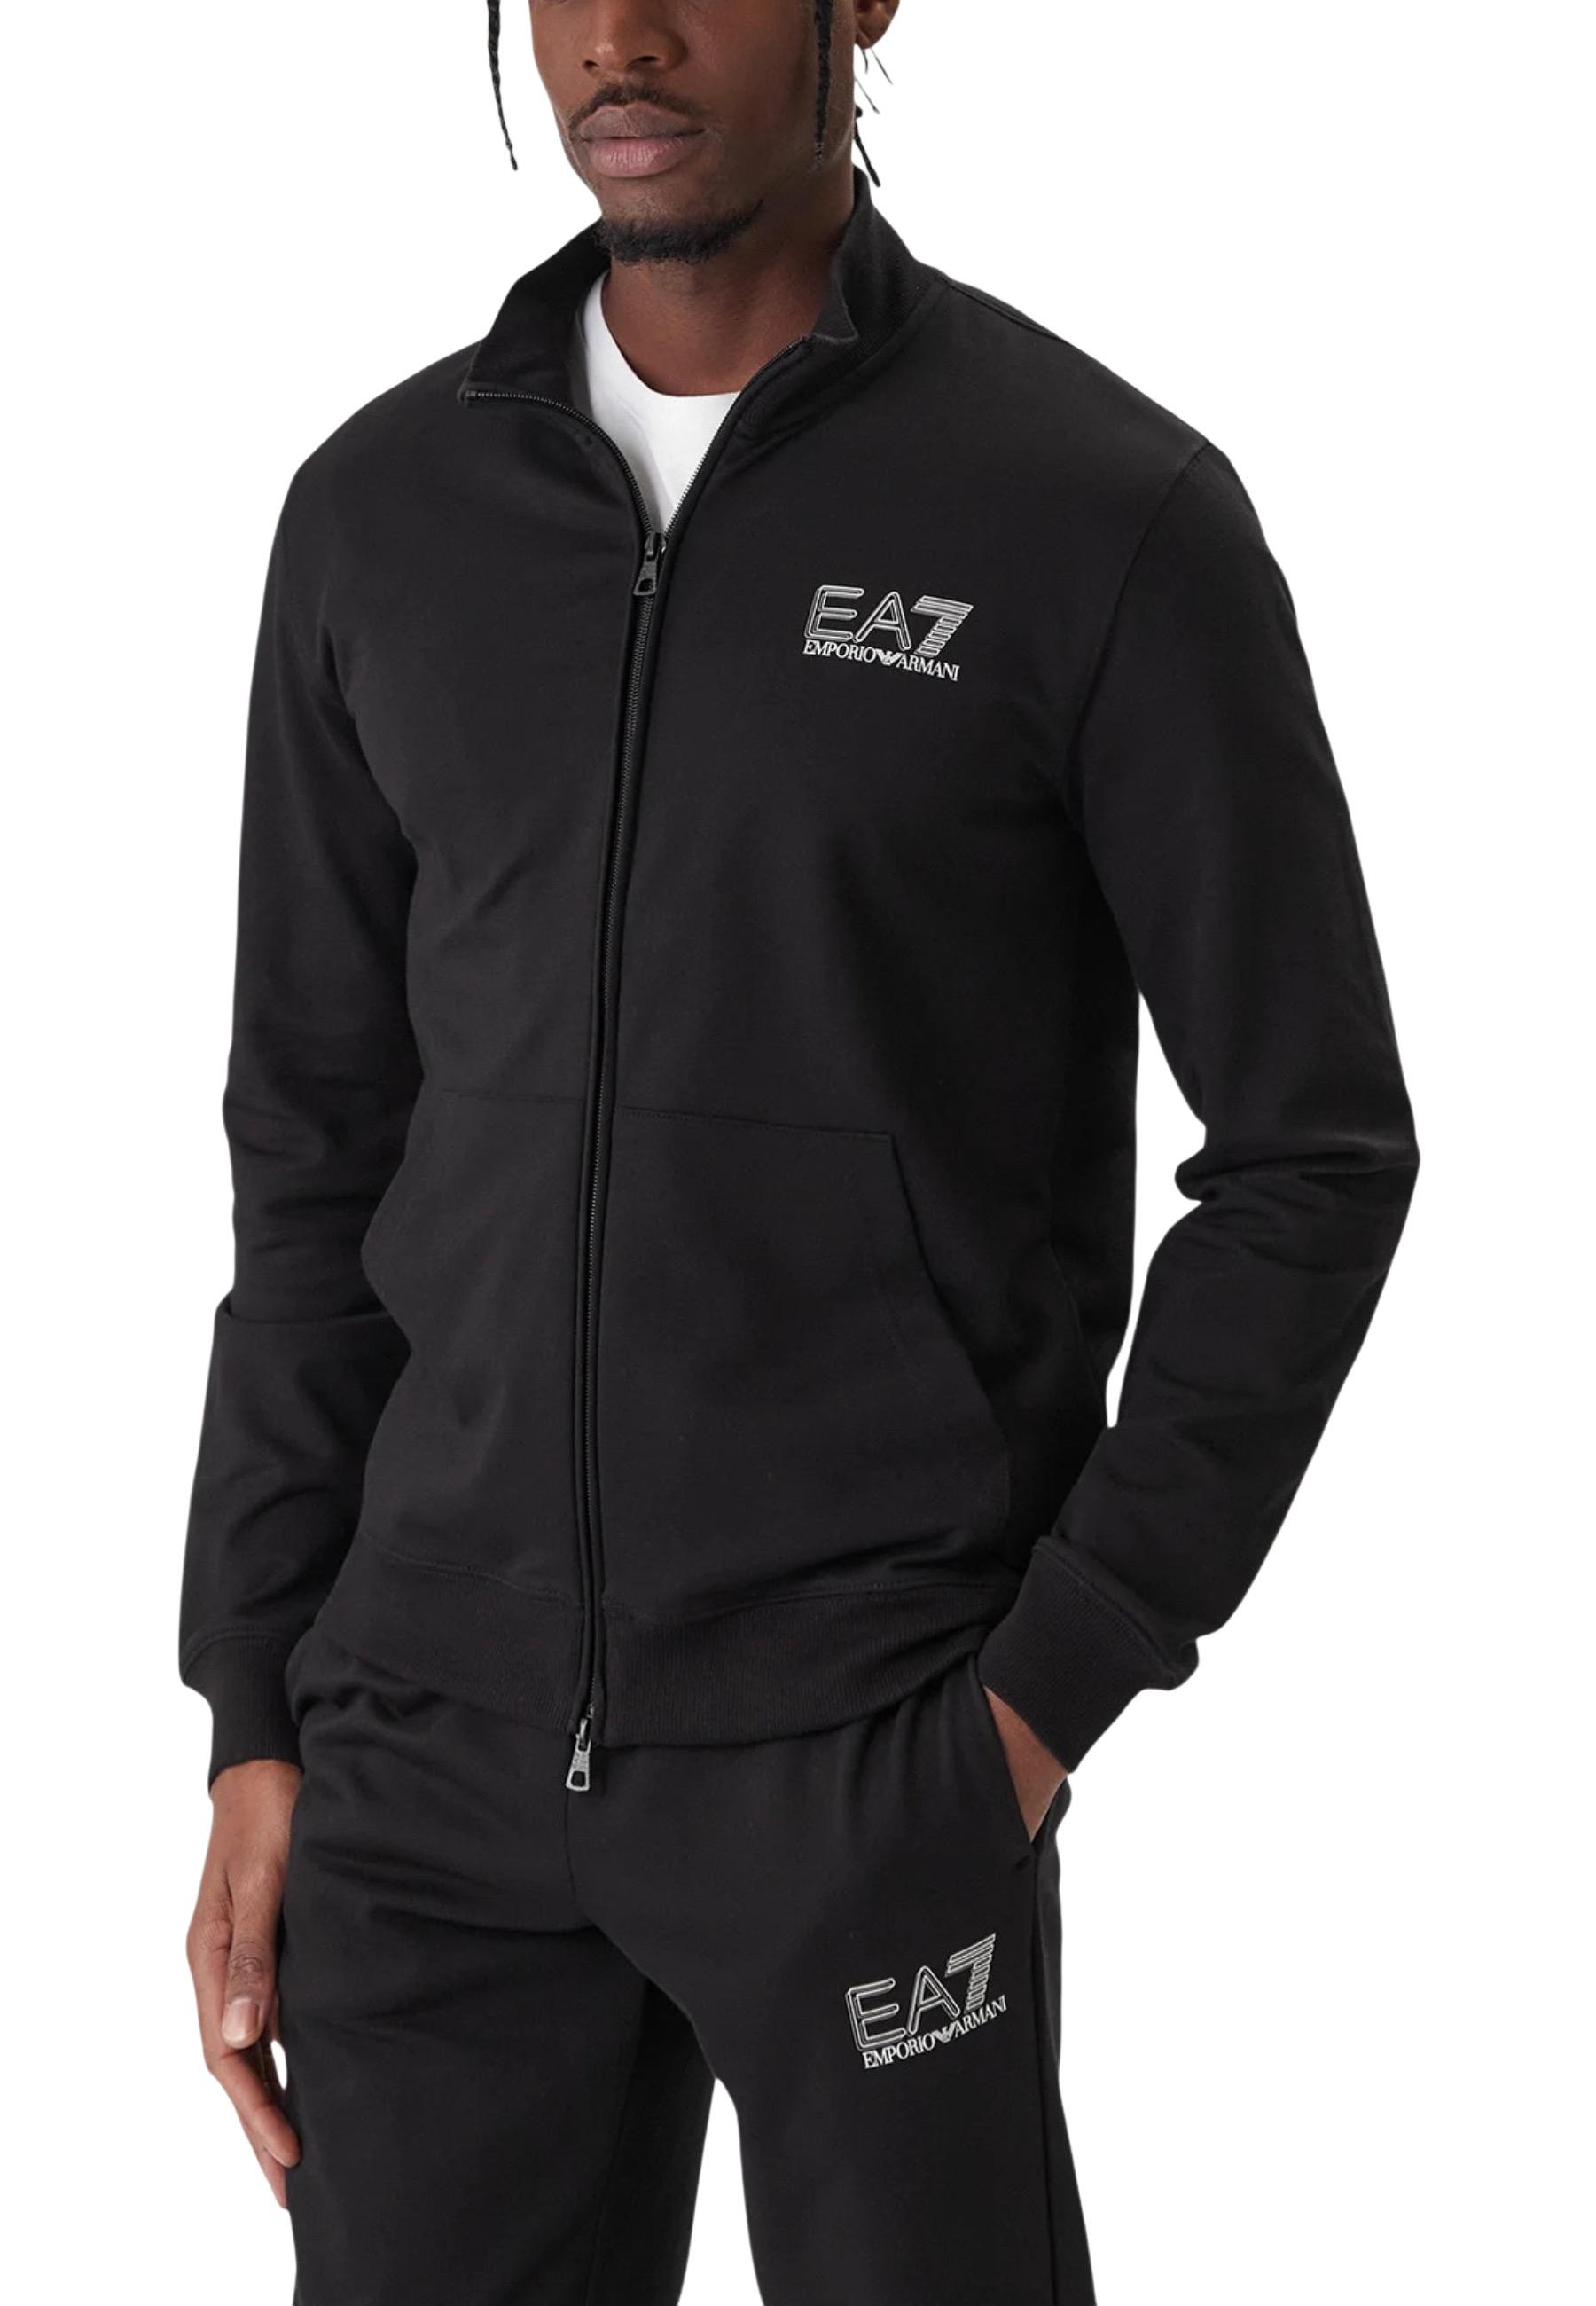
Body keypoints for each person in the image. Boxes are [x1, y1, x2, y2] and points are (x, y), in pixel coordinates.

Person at [178, 4, 1419, 2299]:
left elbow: (1313, 1152)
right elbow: (318, 1151)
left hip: (873, 1755)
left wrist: (1042, 1695)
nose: (619, 39)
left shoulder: (1094, 512)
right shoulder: (380, 516)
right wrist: (256, 1705)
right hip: (423, 1763)